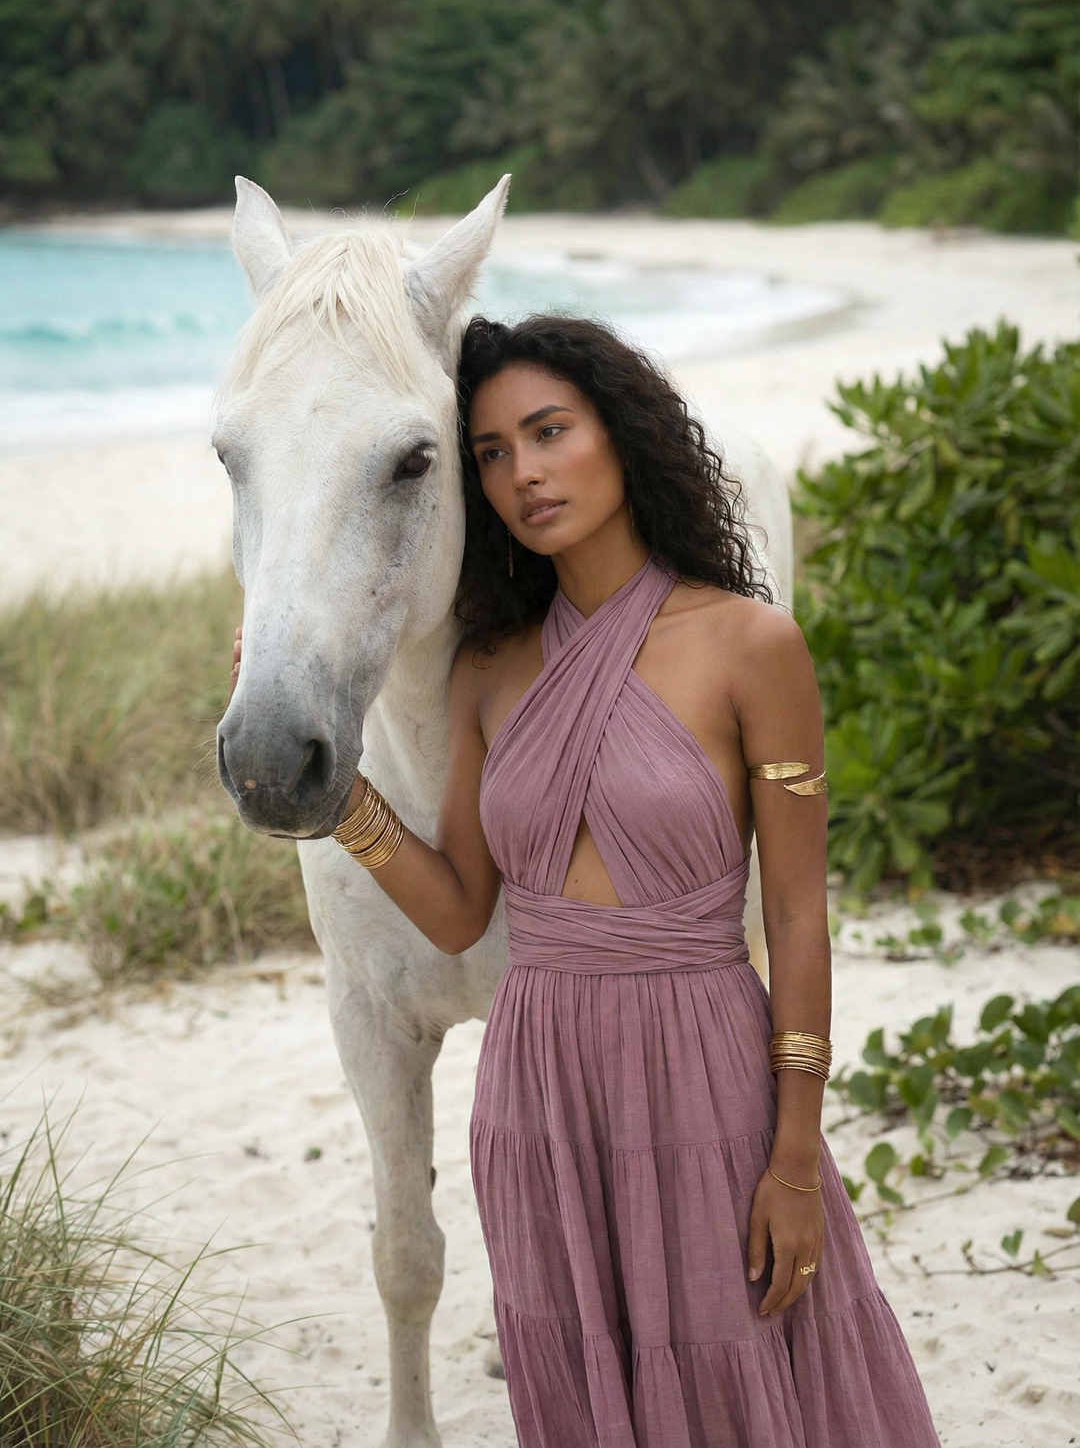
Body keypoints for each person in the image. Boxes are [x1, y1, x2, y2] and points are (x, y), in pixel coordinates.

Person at [233, 315, 939, 1448]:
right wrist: (340, 798)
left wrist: (797, 1154)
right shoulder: (490, 668)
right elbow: (462, 907)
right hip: (536, 1094)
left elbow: (800, 912)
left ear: (625, 433)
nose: (524, 473)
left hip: (706, 1075)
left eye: (550, 431)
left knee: (739, 1374)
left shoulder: (753, 645)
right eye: (493, 452)